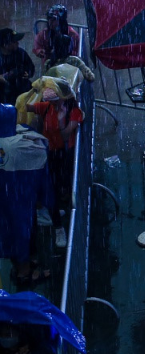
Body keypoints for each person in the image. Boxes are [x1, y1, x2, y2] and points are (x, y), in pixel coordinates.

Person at [26, 79, 82, 249]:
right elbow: (27, 107)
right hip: (47, 155)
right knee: (52, 190)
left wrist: (61, 119)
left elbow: (65, 135)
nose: (52, 104)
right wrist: (34, 91)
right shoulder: (46, 107)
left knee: (59, 188)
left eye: (55, 100)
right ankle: (57, 222)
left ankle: (58, 221)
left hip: (63, 156)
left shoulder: (74, 112)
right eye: (50, 101)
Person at [0, 103, 51, 285]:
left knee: (9, 233)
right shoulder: (23, 146)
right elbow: (40, 157)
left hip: (6, 199)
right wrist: (44, 197)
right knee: (21, 232)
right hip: (18, 198)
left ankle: (21, 265)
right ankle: (25, 274)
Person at [0, 29, 34, 106]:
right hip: (4, 95)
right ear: (5, 45)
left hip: (23, 90)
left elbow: (30, 67)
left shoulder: (20, 53)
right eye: (14, 42)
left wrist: (28, 73)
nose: (18, 43)